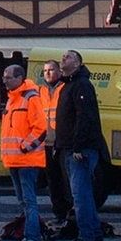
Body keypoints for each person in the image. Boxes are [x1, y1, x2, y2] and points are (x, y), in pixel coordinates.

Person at [54, 48, 109, 241]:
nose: (63, 58)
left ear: (77, 63)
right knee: (82, 194)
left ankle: (87, 236)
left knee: (81, 195)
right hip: (69, 147)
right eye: (63, 56)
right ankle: (93, 233)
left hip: (80, 150)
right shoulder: (69, 85)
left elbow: (85, 117)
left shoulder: (81, 85)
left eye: (68, 56)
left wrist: (78, 145)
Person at [0, 64, 49, 241]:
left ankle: (33, 239)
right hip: (14, 160)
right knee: (23, 202)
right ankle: (29, 237)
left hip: (27, 160)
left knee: (29, 201)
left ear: (20, 78)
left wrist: (24, 147)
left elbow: (40, 128)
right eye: (4, 77)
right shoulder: (13, 99)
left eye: (8, 77)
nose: (4, 80)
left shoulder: (30, 98)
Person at [38, 57, 72, 227]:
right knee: (53, 181)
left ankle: (70, 215)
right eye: (45, 71)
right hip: (47, 143)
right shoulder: (41, 91)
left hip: (62, 142)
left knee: (67, 180)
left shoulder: (64, 88)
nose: (48, 73)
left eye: (51, 70)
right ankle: (59, 214)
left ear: (59, 72)